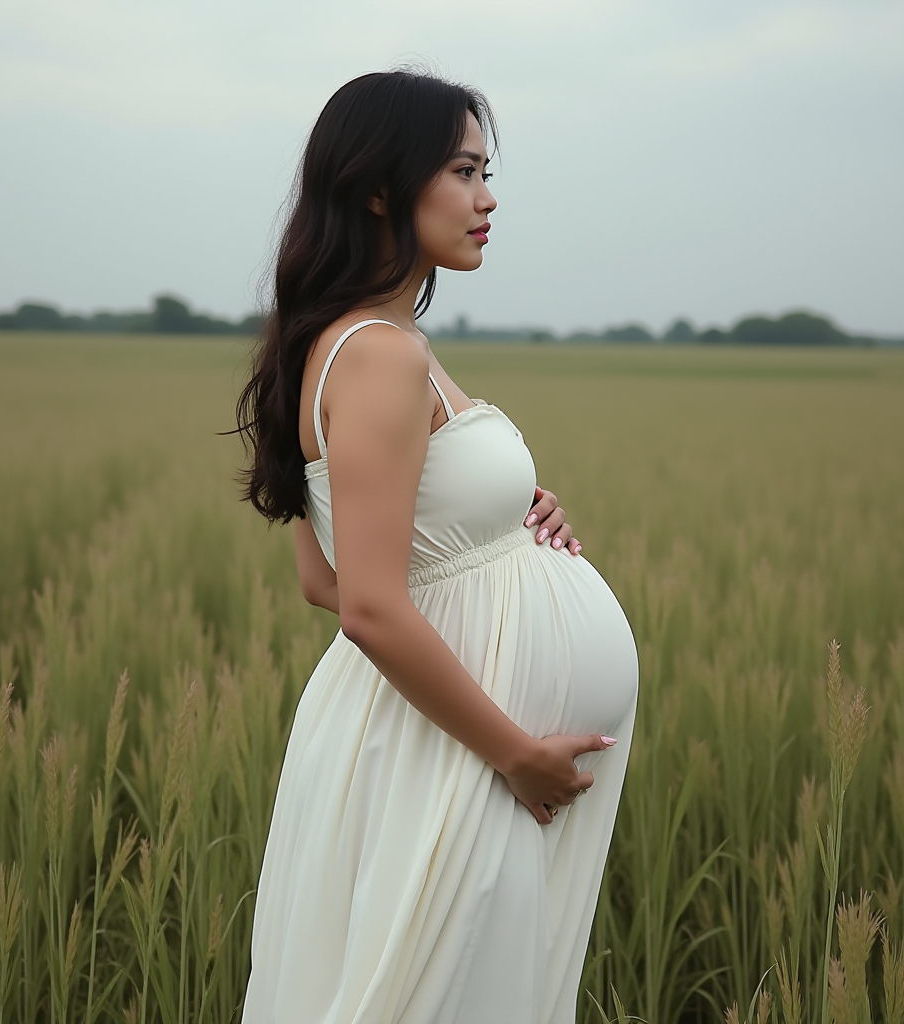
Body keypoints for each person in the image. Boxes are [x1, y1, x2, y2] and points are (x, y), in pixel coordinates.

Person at [236, 69, 639, 1024]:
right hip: (460, 752)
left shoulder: (357, 340)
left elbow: (321, 578)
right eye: (463, 171)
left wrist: (512, 539)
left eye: (485, 172)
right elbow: (367, 604)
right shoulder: (379, 353)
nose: (488, 198)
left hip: (439, 739)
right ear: (381, 188)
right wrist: (514, 755)